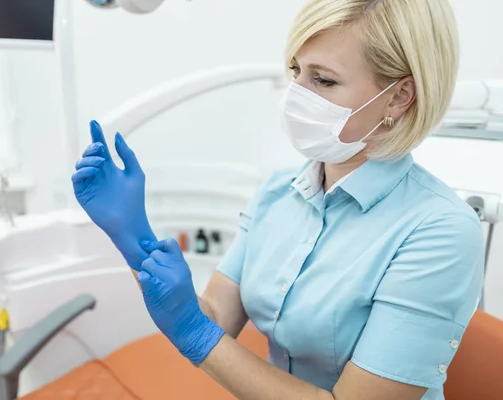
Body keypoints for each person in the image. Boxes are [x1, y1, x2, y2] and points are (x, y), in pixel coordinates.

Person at [71, 0, 484, 399]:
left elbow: (202, 330)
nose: (295, 94)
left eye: (323, 80)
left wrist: (193, 331)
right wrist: (132, 235)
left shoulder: (439, 229)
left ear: (398, 96)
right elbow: (216, 317)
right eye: (296, 71)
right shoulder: (277, 193)